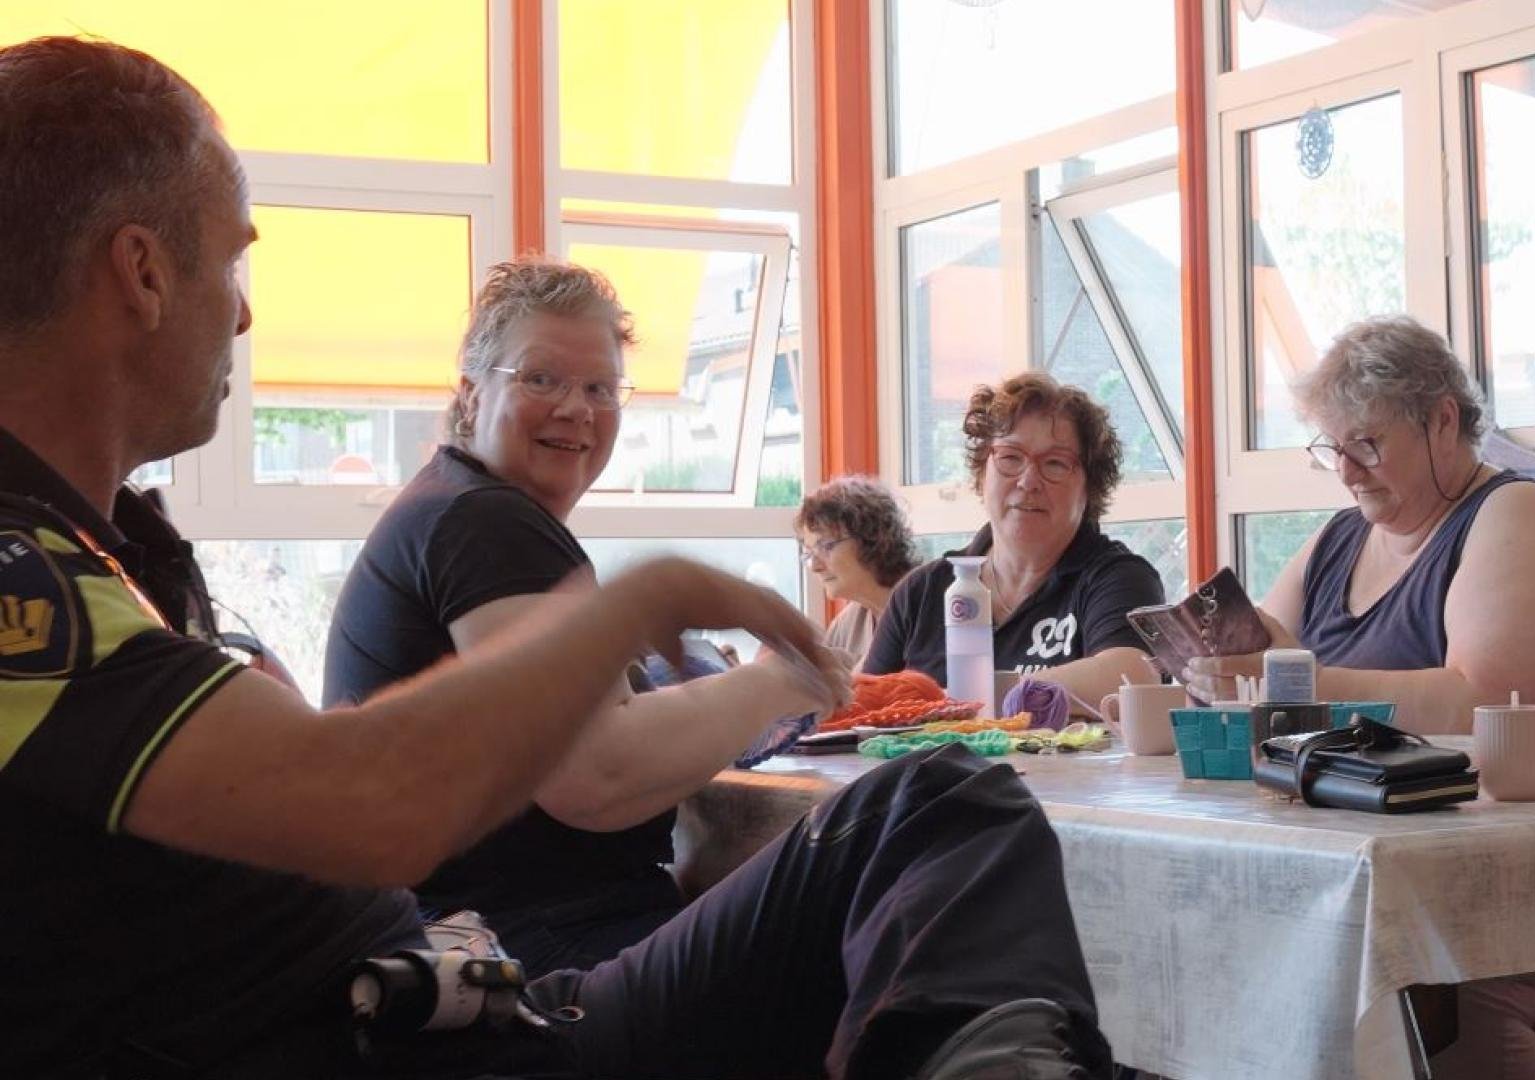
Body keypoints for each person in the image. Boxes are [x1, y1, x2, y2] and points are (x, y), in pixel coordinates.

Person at [0, 36, 1112, 1079]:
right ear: (142, 273)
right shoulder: (28, 570)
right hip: (462, 1029)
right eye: (234, 262)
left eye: (600, 389)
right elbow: (438, 796)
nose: (242, 317)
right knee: (939, 809)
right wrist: (651, 604)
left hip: (449, 992)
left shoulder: (104, 551)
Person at [323, 257, 840, 976]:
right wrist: (786, 677)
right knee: (929, 808)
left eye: (600, 387)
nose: (576, 408)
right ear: (471, 395)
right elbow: (596, 774)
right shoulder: (485, 522)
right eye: (541, 379)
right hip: (530, 961)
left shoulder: (453, 507)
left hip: (484, 943)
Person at [1184, 316, 1535, 734]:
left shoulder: (1524, 516)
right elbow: (1257, 666)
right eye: (1334, 450)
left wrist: (1307, 685)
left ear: (1443, 421)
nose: (1347, 472)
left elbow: (1489, 709)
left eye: (1366, 444)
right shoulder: (1337, 540)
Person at [863, 372, 1163, 708]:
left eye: (1054, 463)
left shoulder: (1117, 578)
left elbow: (1131, 676)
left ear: (1089, 487)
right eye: (1010, 457)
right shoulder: (922, 592)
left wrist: (968, 700)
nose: (1028, 480)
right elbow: (864, 704)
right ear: (982, 472)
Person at [795, 475, 919, 669]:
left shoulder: (926, 605)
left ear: (872, 538)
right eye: (809, 553)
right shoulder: (847, 624)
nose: (815, 566)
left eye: (826, 546)